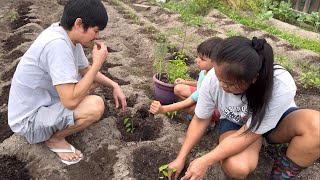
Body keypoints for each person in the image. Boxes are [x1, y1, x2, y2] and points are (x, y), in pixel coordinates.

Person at [167, 36, 320, 180]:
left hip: (277, 123)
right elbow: (201, 119)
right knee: (237, 167)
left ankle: (282, 172)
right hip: (237, 121)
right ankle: (251, 145)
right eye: (220, 79)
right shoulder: (214, 78)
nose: (222, 85)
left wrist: (205, 160)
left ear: (253, 79)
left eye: (229, 83)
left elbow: (250, 134)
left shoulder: (281, 84)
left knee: (317, 127)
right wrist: (181, 157)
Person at [8, 0, 127, 165]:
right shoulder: (57, 46)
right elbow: (70, 102)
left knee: (89, 82)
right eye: (96, 30)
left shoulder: (67, 35)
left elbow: (85, 69)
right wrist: (98, 63)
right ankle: (55, 139)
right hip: (29, 121)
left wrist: (114, 85)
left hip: (42, 103)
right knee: (95, 106)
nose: (98, 36)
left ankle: (55, 128)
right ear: (79, 24)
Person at [149, 37, 222, 129]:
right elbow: (200, 83)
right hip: (201, 95)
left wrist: (163, 109)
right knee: (179, 88)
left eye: (202, 59)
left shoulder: (211, 81)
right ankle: (197, 114)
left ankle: (209, 122)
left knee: (188, 107)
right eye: (198, 56)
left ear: (216, 62)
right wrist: (186, 82)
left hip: (213, 108)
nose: (197, 60)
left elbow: (188, 101)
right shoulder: (206, 70)